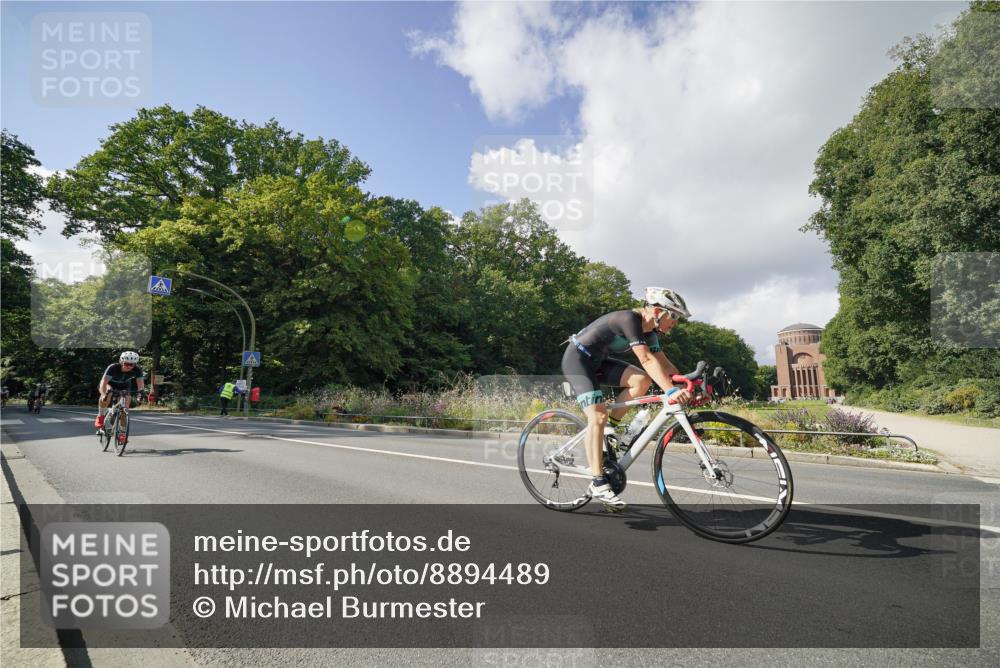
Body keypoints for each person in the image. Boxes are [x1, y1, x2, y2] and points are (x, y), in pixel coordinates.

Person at [562, 287, 693, 511]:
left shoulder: (650, 332)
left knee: (642, 381)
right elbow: (646, 358)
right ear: (657, 311)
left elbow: (662, 362)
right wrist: (670, 391)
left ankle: (610, 431)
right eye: (674, 316)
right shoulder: (629, 319)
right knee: (598, 416)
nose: (675, 323)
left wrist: (686, 382)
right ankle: (598, 482)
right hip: (578, 361)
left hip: (599, 361)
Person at [95, 352, 145, 429]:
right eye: (126, 364)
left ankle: (122, 431)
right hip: (109, 384)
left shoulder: (137, 370)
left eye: (131, 365)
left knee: (125, 407)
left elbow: (140, 385)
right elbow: (103, 382)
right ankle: (100, 416)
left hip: (124, 386)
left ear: (135, 364)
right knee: (108, 393)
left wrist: (140, 395)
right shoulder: (113, 367)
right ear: (121, 362)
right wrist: (103, 394)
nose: (129, 366)